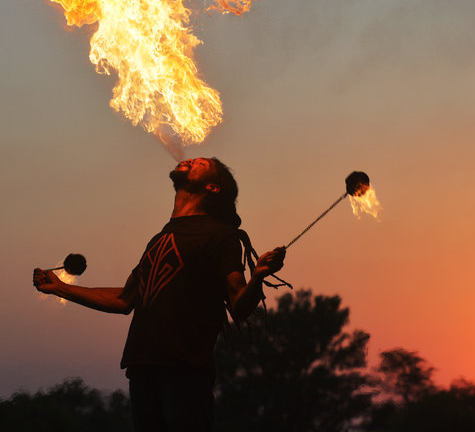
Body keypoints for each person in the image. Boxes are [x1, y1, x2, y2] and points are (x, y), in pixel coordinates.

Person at [33, 157, 286, 432]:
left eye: (200, 163)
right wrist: (60, 287)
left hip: (185, 372)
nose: (189, 159)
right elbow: (124, 299)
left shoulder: (221, 237)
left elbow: (239, 304)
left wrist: (258, 276)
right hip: (142, 368)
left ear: (212, 188)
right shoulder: (160, 238)